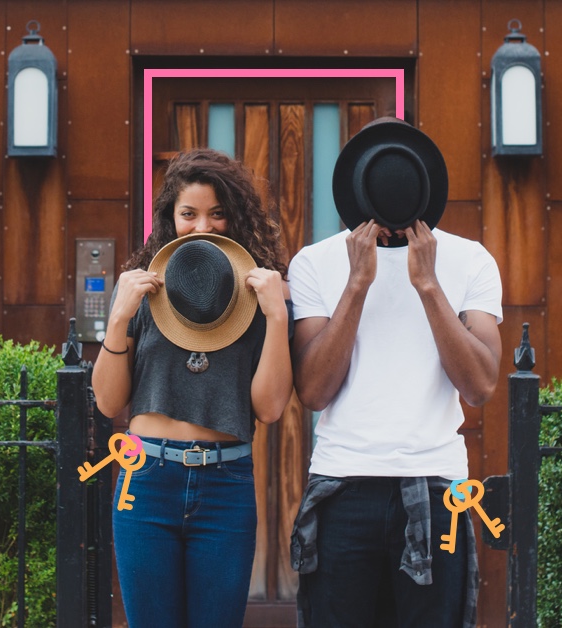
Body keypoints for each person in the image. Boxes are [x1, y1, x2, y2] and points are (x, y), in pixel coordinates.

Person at [288, 118, 503, 627]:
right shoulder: (315, 262)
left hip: (436, 485)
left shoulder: (469, 260)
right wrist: (357, 284)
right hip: (343, 484)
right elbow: (313, 391)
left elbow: (480, 386)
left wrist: (428, 285)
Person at [91, 148, 293, 627]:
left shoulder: (260, 293)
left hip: (225, 484)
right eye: (189, 214)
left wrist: (277, 316)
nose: (203, 226)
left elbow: (269, 408)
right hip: (145, 480)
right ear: (170, 217)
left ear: (236, 217)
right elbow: (109, 401)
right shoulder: (143, 287)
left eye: (217, 213)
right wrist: (118, 318)